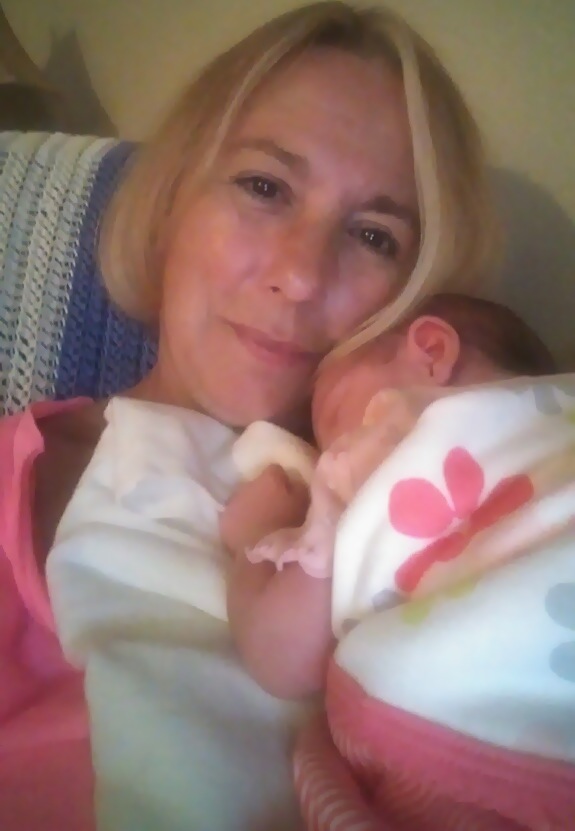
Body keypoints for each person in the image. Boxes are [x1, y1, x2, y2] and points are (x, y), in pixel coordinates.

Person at [1, 3, 500, 830]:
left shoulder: (445, 516)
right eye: (264, 187)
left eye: (373, 236)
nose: (300, 275)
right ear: (171, 203)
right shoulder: (17, 477)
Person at [222, 293, 575, 829]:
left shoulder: (392, 428)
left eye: (333, 418)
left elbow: (280, 657)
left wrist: (253, 537)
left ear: (431, 351)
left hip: (480, 751)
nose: (326, 452)